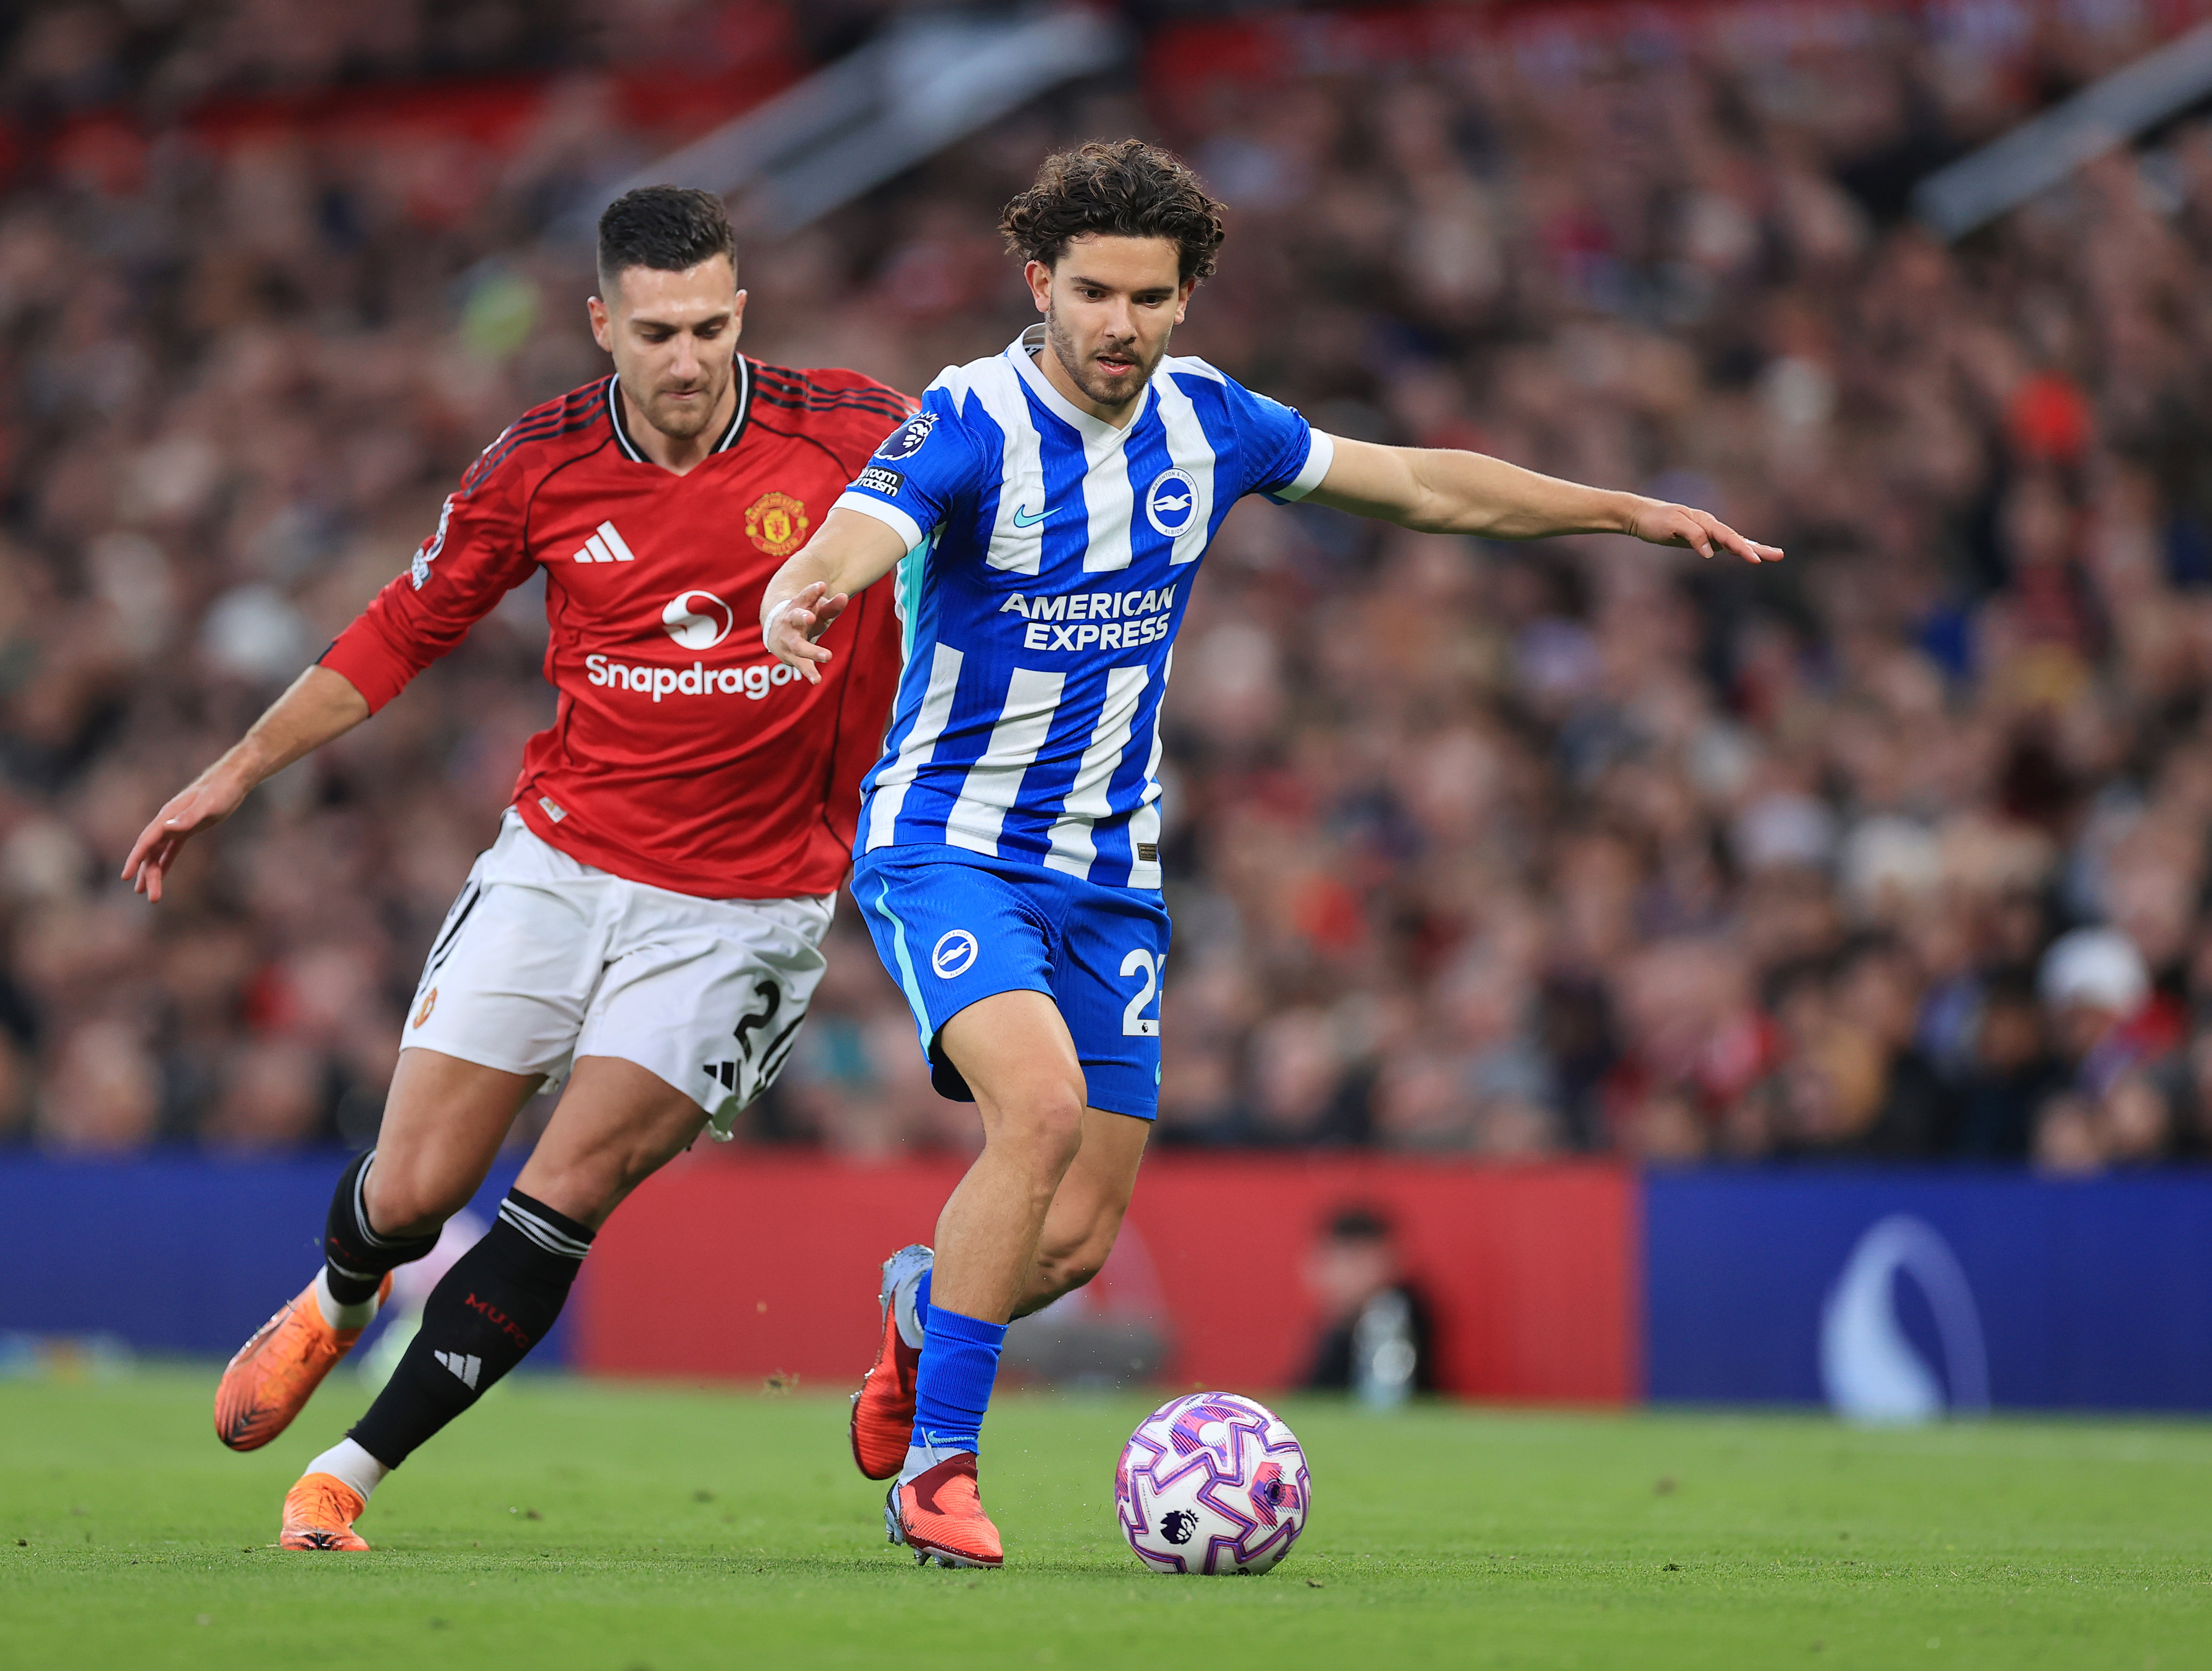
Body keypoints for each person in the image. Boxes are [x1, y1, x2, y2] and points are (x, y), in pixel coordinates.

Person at [759, 139, 1781, 1568]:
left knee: (1071, 1244)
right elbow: (861, 528)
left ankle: (927, 1310)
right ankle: (941, 1466)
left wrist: (1620, 508)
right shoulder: (968, 418)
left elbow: (1420, 485)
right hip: (951, 846)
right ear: (1040, 284)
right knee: (1034, 1113)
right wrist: (805, 589)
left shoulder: (1212, 422)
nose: (1121, 324)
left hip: (1111, 875)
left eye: (1152, 298)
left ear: (1187, 301)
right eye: (1096, 292)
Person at [120, 187, 910, 1552]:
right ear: (603, 323)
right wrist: (236, 770)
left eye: (711, 326)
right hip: (560, 865)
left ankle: (346, 1478)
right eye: (657, 331)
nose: (687, 359)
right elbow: (399, 630)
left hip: (746, 906)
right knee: (416, 1186)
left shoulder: (857, 432)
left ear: (744, 313)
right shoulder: (537, 464)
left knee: (568, 1187)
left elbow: (1011, 501)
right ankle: (338, 1296)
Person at [1295, 1206, 1434, 1404]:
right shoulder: (1338, 1326)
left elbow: (1384, 1396)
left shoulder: (1392, 1313)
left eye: (1348, 1263)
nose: (1335, 1276)